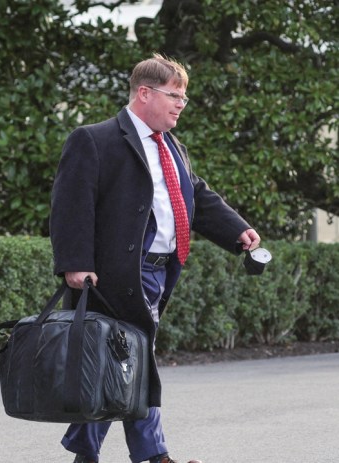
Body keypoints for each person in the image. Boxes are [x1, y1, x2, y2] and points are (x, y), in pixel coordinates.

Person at [49, 54, 260, 463]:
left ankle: (85, 453)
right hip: (114, 275)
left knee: (115, 363)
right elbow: (70, 205)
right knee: (133, 359)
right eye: (174, 95)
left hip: (159, 274)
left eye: (184, 97)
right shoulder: (95, 139)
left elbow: (196, 195)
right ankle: (154, 456)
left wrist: (237, 230)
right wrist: (74, 262)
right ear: (144, 93)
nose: (181, 103)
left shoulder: (172, 147)